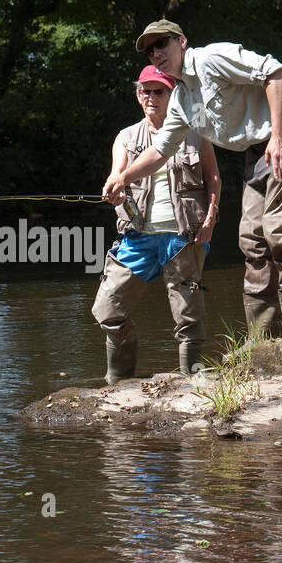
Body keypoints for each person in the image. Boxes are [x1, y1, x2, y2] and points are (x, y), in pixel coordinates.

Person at [103, 20, 282, 337]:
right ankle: (263, 339)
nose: (156, 53)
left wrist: (279, 137)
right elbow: (160, 151)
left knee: (280, 230)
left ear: (181, 41)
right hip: (258, 150)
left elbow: (275, 72)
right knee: (252, 239)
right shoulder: (180, 100)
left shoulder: (211, 58)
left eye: (162, 43)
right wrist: (122, 177)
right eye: (150, 50)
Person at [93, 63, 221, 382]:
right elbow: (116, 174)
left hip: (183, 237)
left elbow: (214, 178)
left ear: (172, 93)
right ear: (138, 96)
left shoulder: (196, 131)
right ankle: (118, 383)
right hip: (137, 237)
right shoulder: (125, 138)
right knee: (108, 310)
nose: (151, 96)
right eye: (145, 90)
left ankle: (193, 384)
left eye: (159, 90)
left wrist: (211, 217)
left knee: (188, 317)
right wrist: (115, 190)